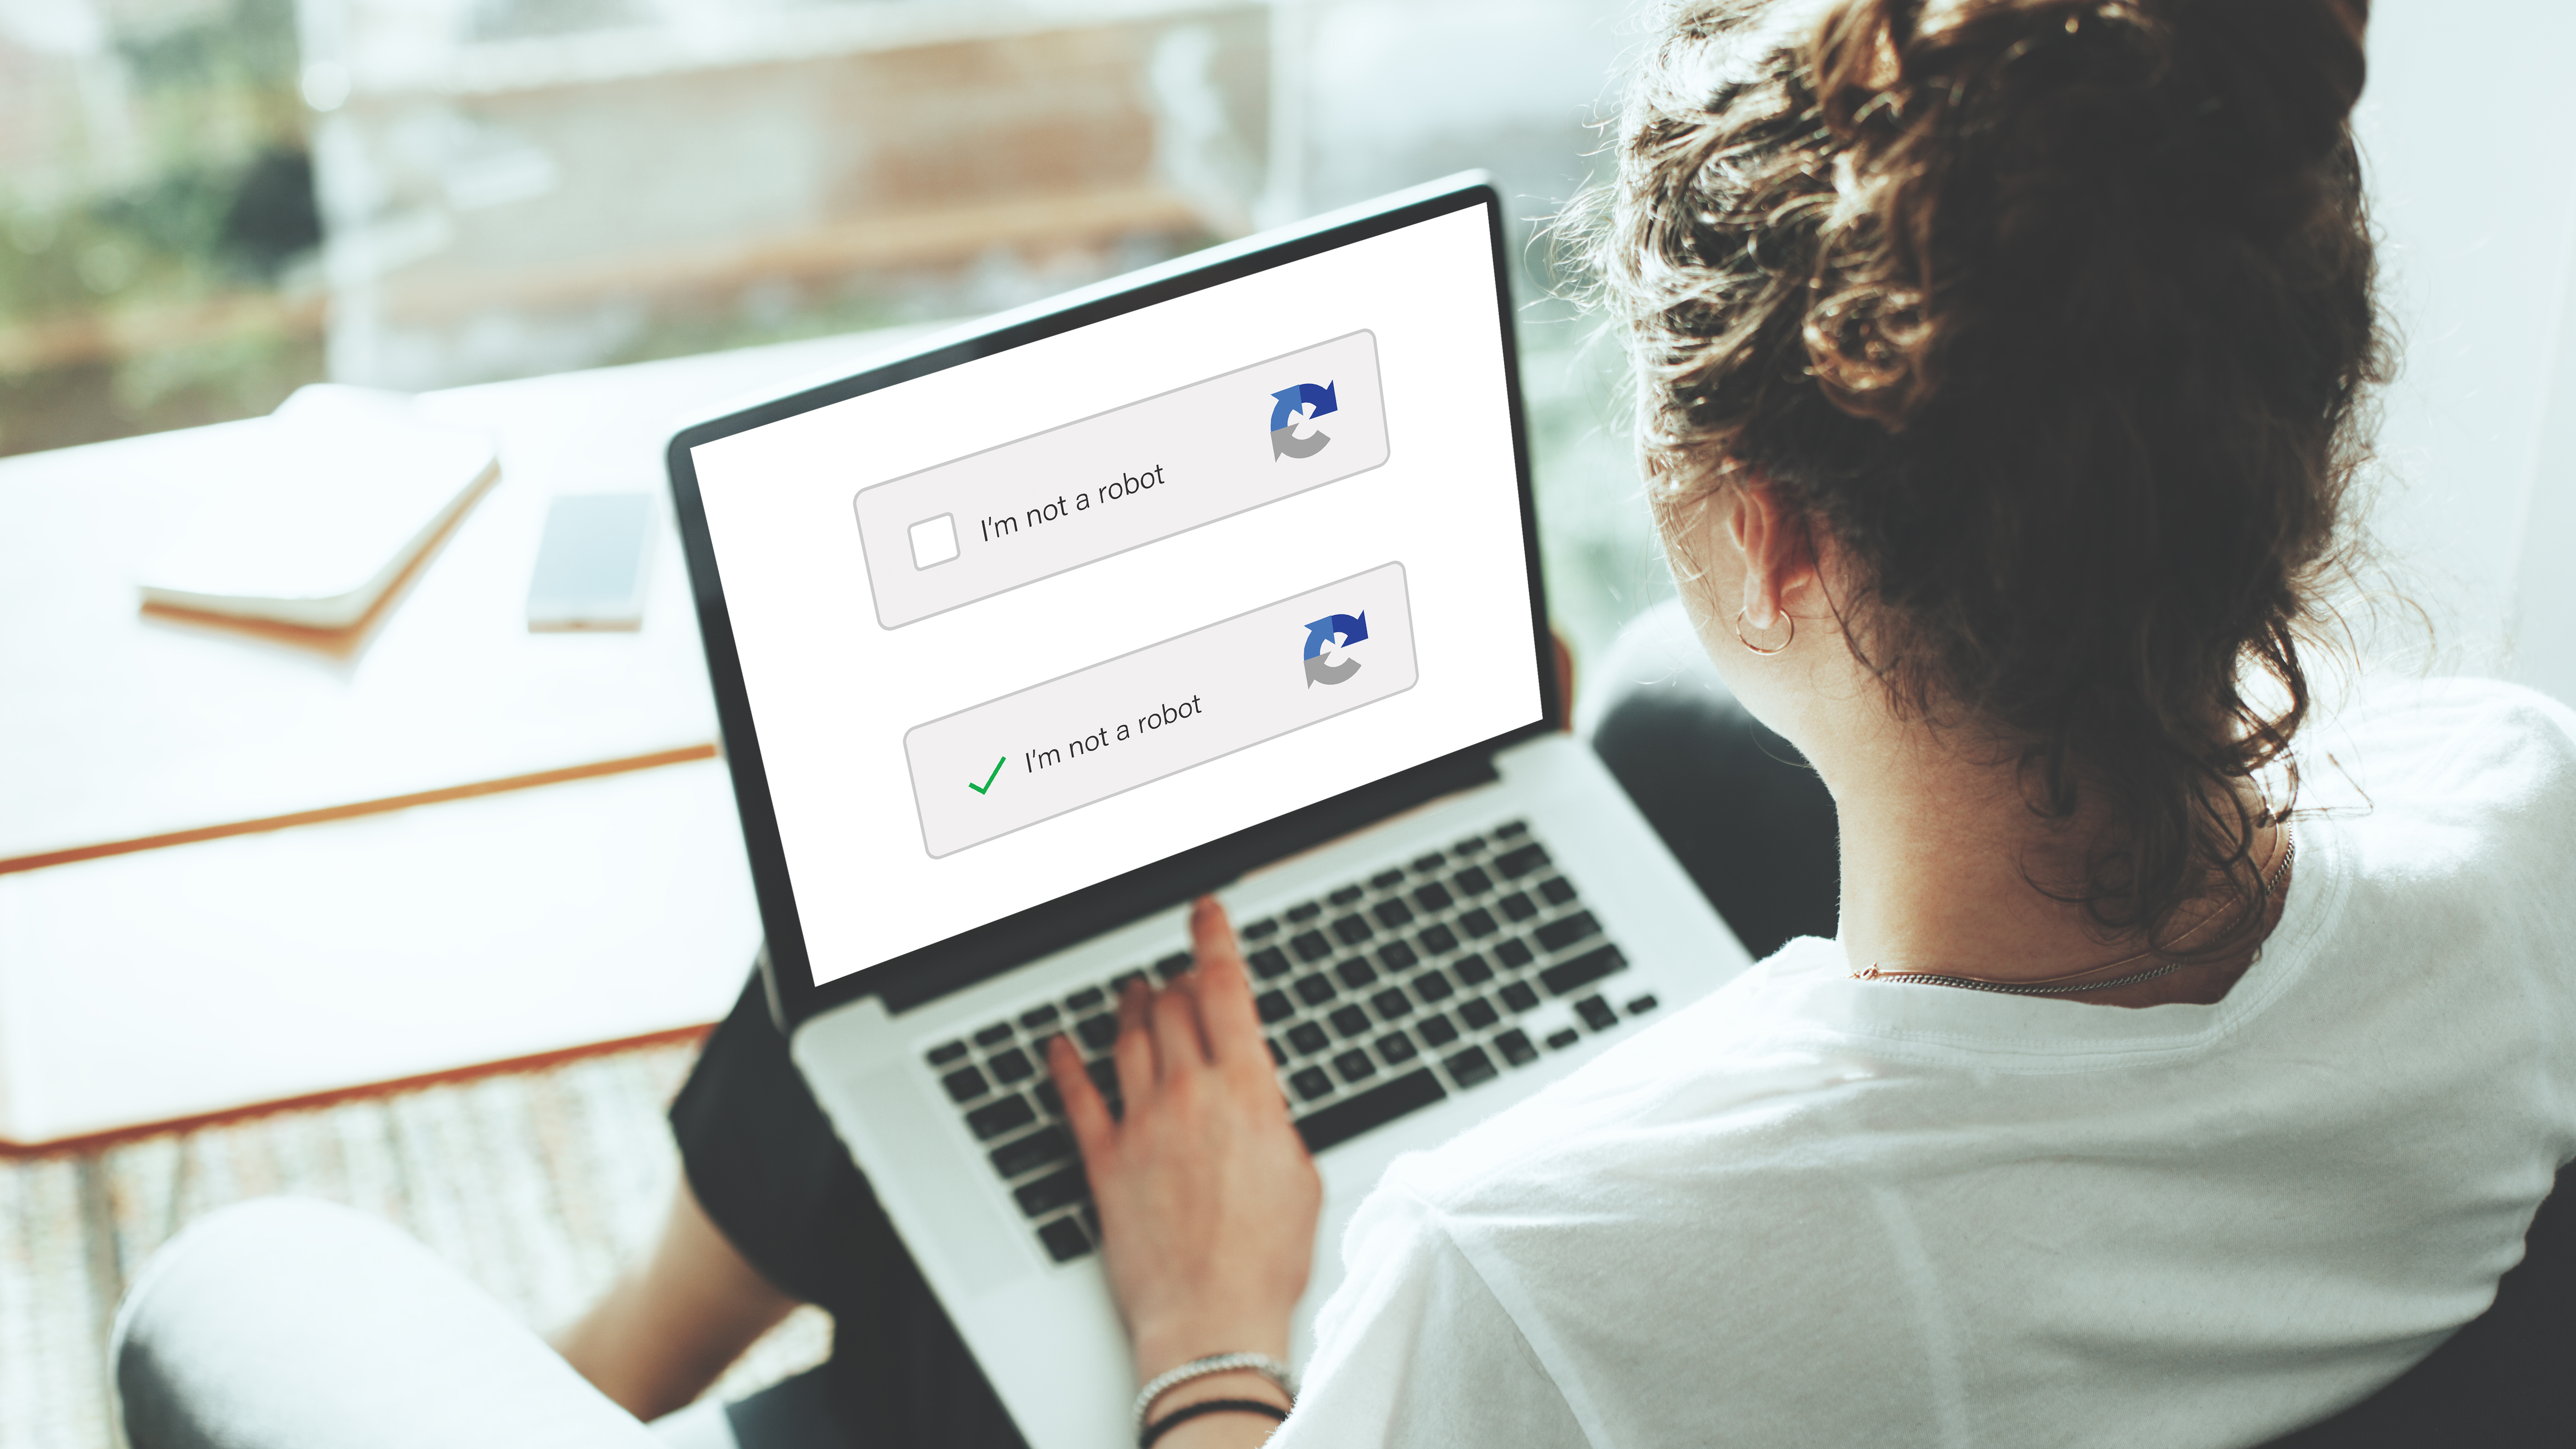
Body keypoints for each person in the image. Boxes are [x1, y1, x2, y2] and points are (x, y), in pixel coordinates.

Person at [556, 0, 2576, 1444]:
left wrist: (1212, 1337)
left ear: (1775, 535)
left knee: (960, 1028)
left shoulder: (1531, 1278)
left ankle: (625, 1363)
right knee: (1646, 736)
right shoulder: (2522, 822)